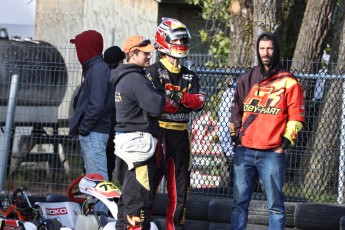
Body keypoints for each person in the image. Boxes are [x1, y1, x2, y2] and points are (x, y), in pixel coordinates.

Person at [229, 31, 305, 230]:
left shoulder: (289, 81)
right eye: (262, 48)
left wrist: (284, 144)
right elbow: (235, 109)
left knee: (276, 207)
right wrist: (235, 137)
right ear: (258, 50)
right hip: (244, 150)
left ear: (276, 50)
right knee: (239, 204)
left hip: (272, 153)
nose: (265, 53)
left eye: (269, 48)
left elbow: (297, 117)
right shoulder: (246, 78)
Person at [146, 18, 206, 230]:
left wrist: (176, 97)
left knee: (180, 191)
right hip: (158, 134)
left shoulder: (190, 74)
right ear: (163, 41)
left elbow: (200, 102)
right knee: (149, 187)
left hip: (182, 136)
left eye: (183, 39)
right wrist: (183, 99)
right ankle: (142, 226)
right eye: (177, 39)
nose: (181, 43)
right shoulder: (152, 72)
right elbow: (159, 105)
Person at [109, 35, 165, 230]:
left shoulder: (122, 77)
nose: (150, 56)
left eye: (150, 52)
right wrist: (162, 92)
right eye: (145, 53)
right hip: (138, 150)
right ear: (132, 54)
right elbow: (156, 106)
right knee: (139, 204)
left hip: (125, 146)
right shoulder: (136, 80)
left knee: (128, 200)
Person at [69, 30, 114, 215]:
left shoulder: (97, 71)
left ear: (86, 48)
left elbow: (97, 105)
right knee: (93, 177)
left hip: (94, 132)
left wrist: (84, 128)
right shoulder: (95, 69)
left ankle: (102, 217)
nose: (77, 51)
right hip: (93, 132)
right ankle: (95, 214)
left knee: (98, 178)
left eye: (79, 46)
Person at [103, 45, 125, 181]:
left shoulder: (100, 75)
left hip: (99, 131)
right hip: (116, 130)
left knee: (97, 171)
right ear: (120, 62)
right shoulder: (122, 78)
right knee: (112, 169)